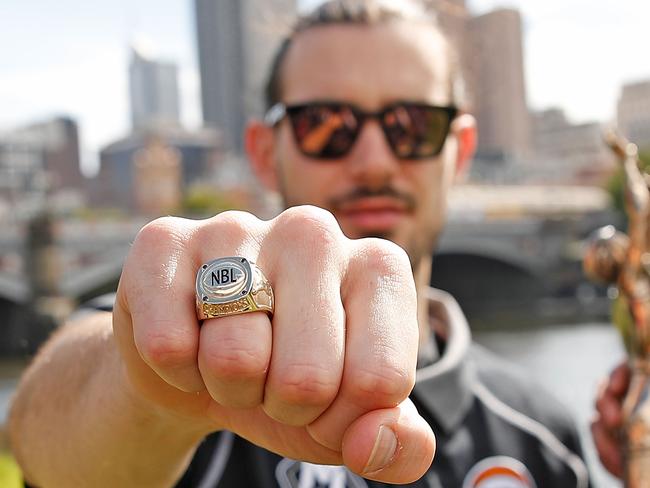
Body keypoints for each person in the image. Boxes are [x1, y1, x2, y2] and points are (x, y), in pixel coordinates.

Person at [8, 1, 590, 486]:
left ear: (459, 151)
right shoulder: (196, 367)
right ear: (265, 151)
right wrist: (146, 393)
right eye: (326, 126)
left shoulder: (543, 434)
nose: (372, 161)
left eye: (413, 126)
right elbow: (40, 440)